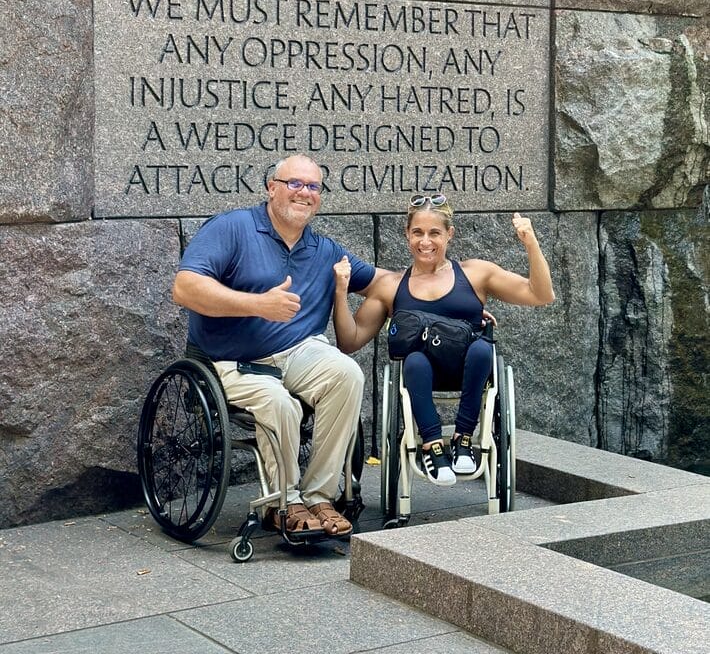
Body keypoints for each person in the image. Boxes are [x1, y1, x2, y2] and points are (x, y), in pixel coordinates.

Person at [173, 153, 382, 538]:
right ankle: (283, 503)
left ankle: (318, 495)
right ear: (272, 187)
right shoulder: (232, 228)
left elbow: (385, 283)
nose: (304, 193)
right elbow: (185, 288)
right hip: (229, 362)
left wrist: (454, 294)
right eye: (294, 184)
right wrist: (257, 304)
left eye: (313, 186)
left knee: (347, 374)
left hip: (297, 353)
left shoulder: (324, 250)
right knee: (278, 401)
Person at [333, 195, 555, 486]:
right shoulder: (391, 286)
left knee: (481, 349)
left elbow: (541, 295)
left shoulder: (476, 273)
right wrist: (340, 292)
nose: (426, 241)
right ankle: (433, 446)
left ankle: (463, 438)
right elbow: (350, 341)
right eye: (418, 233)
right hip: (421, 375)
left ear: (450, 234)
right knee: (413, 361)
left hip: (470, 367)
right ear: (407, 234)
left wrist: (530, 243)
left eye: (434, 232)